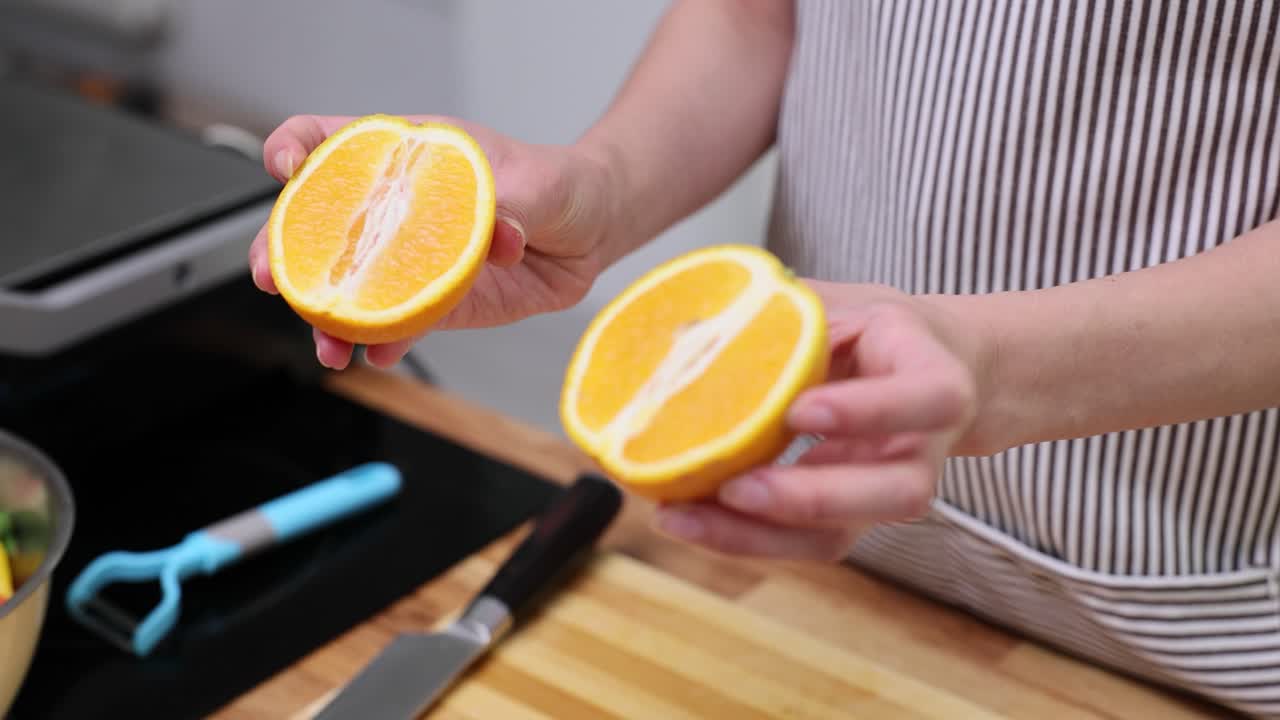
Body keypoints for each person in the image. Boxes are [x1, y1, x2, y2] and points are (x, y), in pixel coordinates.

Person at [249, 1, 1280, 715]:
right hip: (820, 546)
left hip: (1200, 608)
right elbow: (760, 17)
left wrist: (991, 366)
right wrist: (598, 190)